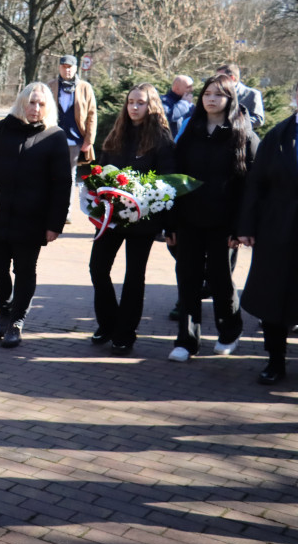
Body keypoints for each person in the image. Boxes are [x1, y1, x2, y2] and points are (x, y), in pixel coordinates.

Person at [166, 74, 258, 363]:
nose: (211, 99)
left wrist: (241, 227)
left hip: (224, 223)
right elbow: (174, 179)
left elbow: (251, 186)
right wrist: (171, 222)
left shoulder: (243, 133)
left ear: (230, 99)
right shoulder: (190, 130)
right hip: (189, 219)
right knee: (188, 278)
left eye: (218, 95)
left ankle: (229, 331)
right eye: (207, 93)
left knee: (220, 279)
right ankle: (186, 341)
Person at [0, 82, 71, 348]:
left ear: (48, 107)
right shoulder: (1, 130)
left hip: (32, 221)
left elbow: (61, 184)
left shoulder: (55, 137)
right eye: (31, 102)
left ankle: (16, 321)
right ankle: (3, 312)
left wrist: (55, 224)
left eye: (41, 104)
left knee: (25, 270)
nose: (35, 108)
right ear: (22, 103)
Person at [89, 83, 175, 354]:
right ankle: (108, 323)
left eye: (140, 102)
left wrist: (167, 223)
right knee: (98, 267)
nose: (134, 107)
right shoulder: (116, 134)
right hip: (113, 217)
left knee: (134, 275)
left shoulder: (161, 139)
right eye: (130, 102)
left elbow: (167, 185)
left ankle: (125, 333)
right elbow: (101, 170)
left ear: (151, 106)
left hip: (144, 219)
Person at [237, 82, 298, 385]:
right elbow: (256, 184)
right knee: (275, 298)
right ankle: (275, 361)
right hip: (277, 230)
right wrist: (246, 227)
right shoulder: (278, 136)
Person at [47, 55, 97, 221]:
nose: (67, 70)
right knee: (49, 173)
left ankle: (65, 212)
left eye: (70, 67)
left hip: (74, 140)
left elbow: (91, 114)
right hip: (52, 138)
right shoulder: (51, 86)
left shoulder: (85, 88)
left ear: (76, 68)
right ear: (59, 68)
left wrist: (89, 140)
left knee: (68, 176)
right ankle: (48, 208)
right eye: (64, 67)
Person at [216, 64, 265, 129]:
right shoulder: (215, 93)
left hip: (242, 136)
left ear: (232, 78)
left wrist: (234, 123)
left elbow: (259, 120)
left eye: (220, 78)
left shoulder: (252, 94)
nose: (217, 80)